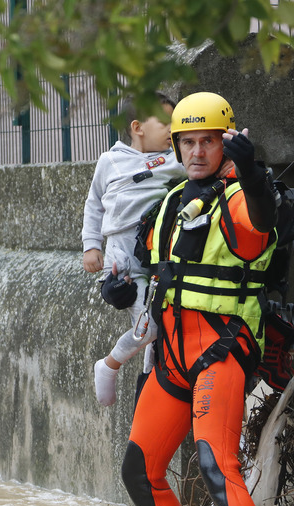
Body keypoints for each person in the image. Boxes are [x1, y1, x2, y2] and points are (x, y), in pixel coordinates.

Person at [121, 91, 279, 506]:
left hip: (221, 351)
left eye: (207, 141)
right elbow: (151, 269)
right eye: (188, 142)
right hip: (172, 357)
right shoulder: (171, 202)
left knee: (217, 466)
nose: (196, 151)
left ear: (224, 144)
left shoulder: (238, 198)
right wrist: (119, 293)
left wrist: (249, 171)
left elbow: (262, 222)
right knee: (138, 472)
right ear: (175, 146)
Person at [82, 93, 187, 407]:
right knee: (151, 325)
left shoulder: (174, 158)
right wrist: (91, 246)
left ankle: (150, 385)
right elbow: (93, 206)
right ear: (138, 127)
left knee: (158, 325)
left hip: (158, 254)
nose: (173, 128)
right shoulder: (110, 161)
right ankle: (109, 364)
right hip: (122, 259)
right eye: (165, 121)